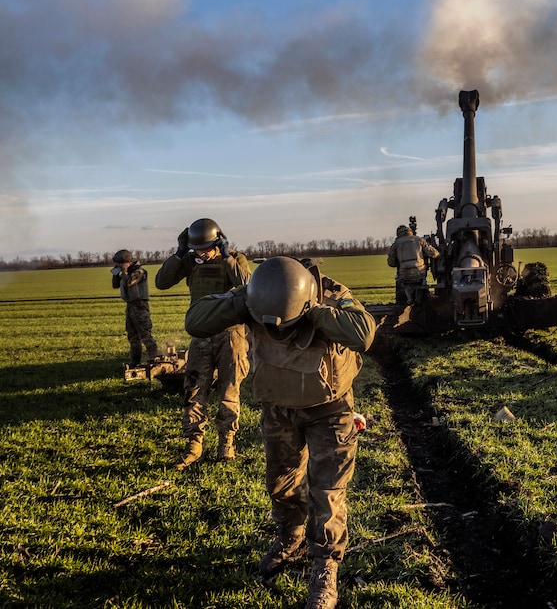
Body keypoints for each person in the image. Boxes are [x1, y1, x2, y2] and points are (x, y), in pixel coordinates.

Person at [184, 256, 376, 609]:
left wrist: (316, 312)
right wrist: (243, 301)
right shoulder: (257, 296)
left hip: (329, 411)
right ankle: (291, 537)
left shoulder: (332, 295)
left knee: (327, 493)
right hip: (279, 410)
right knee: (281, 482)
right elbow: (195, 321)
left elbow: (363, 334)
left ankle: (325, 568)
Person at [155, 218, 252, 470]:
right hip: (201, 337)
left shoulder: (235, 259)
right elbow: (161, 282)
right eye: (196, 249)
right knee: (194, 391)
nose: (201, 253)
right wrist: (178, 255)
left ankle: (226, 443)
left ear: (218, 242)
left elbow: (248, 286)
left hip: (231, 336)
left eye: (206, 248)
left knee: (229, 392)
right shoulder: (189, 261)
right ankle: (193, 445)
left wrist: (228, 257)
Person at [111, 249, 160, 366]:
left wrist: (125, 271)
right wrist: (116, 275)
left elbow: (129, 282)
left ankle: (156, 360)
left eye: (119, 263)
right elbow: (115, 285)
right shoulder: (126, 273)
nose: (117, 265)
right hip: (130, 306)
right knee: (133, 336)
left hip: (140, 306)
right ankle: (135, 362)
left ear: (126, 262)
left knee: (145, 335)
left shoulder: (139, 272)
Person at [387, 224, 439, 305]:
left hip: (405, 275)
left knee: (405, 283)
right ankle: (419, 299)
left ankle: (410, 300)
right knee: (421, 281)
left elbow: (391, 263)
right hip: (420, 273)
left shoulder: (396, 244)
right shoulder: (419, 239)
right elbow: (433, 253)